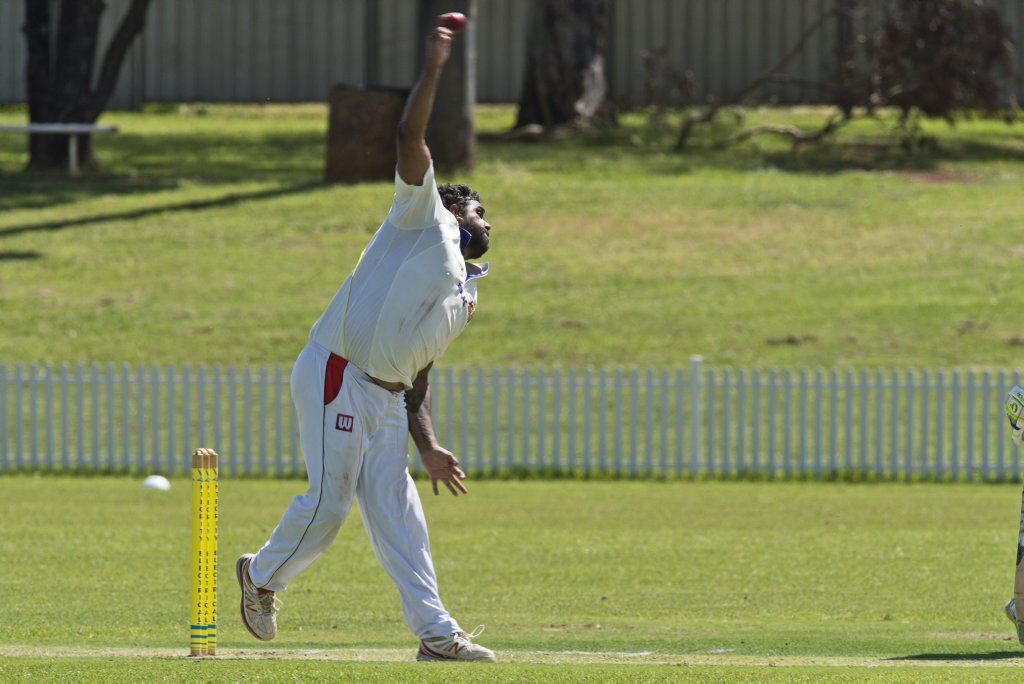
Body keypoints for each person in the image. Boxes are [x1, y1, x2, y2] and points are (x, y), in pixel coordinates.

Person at [235, 20, 495, 663]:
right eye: (479, 210)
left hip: (384, 397)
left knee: (402, 519)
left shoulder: (466, 291)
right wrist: (435, 67)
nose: (487, 221)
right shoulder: (421, 217)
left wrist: (428, 445)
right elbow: (410, 135)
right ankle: (260, 576)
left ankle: (437, 637)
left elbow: (419, 369)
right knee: (328, 509)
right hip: (338, 371)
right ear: (454, 209)